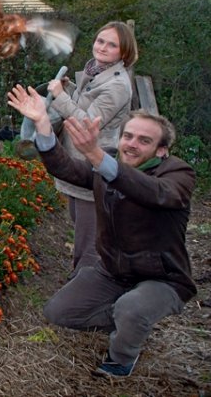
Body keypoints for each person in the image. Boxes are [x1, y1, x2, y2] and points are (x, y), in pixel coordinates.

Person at [7, 85, 196, 378]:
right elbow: (68, 169)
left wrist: (96, 156)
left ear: (161, 150)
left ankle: (121, 357)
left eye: (144, 141)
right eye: (128, 136)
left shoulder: (176, 174)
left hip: (162, 277)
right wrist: (43, 124)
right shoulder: (108, 163)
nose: (131, 144)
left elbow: (157, 194)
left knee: (132, 309)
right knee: (58, 313)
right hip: (113, 270)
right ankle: (129, 320)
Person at [47, 21, 137, 275]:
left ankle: (84, 291)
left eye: (112, 45)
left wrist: (59, 96)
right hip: (79, 161)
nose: (103, 47)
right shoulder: (96, 71)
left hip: (94, 164)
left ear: (124, 52)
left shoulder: (118, 84)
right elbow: (87, 104)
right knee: (81, 225)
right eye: (100, 41)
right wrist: (70, 90)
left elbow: (88, 123)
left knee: (88, 240)